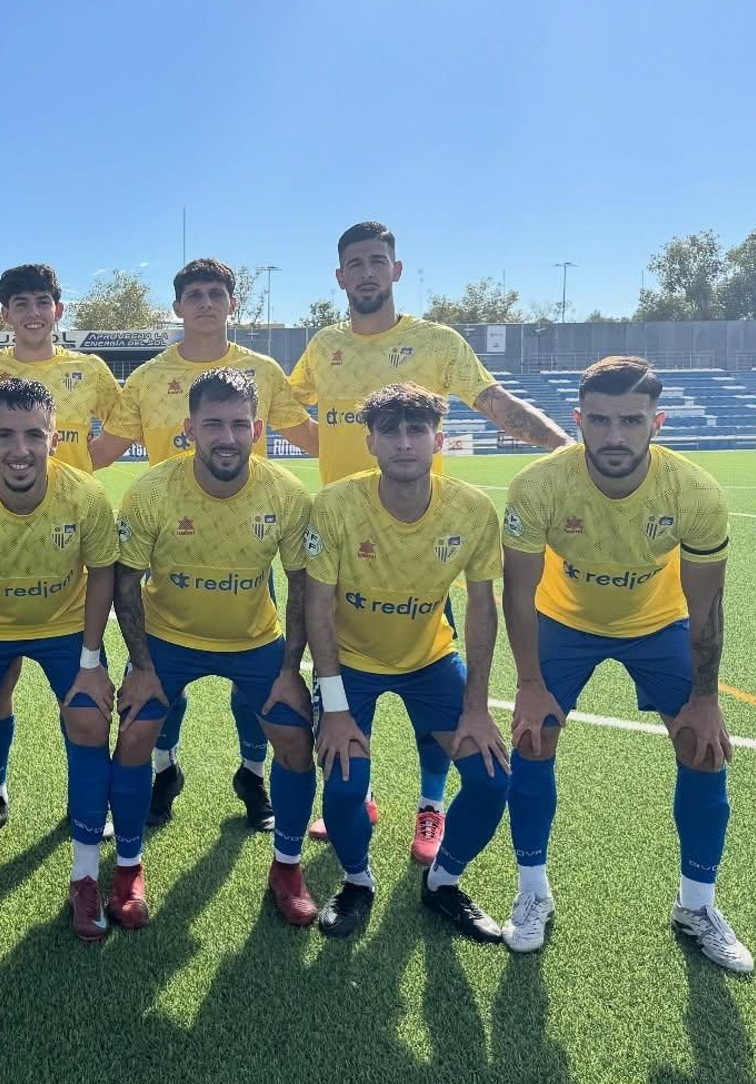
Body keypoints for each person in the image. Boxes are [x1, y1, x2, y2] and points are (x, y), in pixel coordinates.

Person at [289, 219, 570, 862]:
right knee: (343, 674)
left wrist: (564, 451)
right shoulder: (323, 346)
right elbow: (283, 406)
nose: (365, 271)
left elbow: (495, 404)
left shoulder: (436, 343)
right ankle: (352, 797)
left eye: (377, 260)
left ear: (396, 269)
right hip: (343, 538)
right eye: (354, 262)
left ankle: (430, 806)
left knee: (427, 678)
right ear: (339, 277)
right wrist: (323, 448)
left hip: (423, 548)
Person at [501, 356, 751, 972]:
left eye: (632, 421)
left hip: (656, 624)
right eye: (602, 420)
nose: (616, 436)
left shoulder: (694, 491)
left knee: (701, 745)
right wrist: (528, 685)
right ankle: (533, 893)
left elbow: (706, 602)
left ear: (656, 422)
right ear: (578, 419)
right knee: (534, 737)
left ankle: (697, 905)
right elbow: (516, 593)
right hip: (564, 621)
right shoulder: (539, 486)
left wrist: (706, 695)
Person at [90, 258, 320, 833]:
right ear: (178, 307)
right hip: (167, 543)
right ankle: (164, 770)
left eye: (217, 293)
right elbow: (106, 448)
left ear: (231, 304)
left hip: (249, 541)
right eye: (194, 294)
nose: (206, 303)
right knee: (164, 675)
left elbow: (313, 438)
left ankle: (253, 772)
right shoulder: (146, 377)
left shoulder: (264, 371)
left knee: (254, 676)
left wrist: (390, 463)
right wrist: (36, 476)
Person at [107, 368, 317, 929]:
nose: (227, 436)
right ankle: (128, 866)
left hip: (254, 642)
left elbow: (301, 584)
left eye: (239, 424)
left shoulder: (286, 493)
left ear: (258, 428)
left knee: (296, 744)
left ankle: (288, 867)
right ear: (189, 428)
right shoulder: (153, 490)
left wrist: (291, 667)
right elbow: (123, 584)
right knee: (133, 738)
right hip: (167, 641)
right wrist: (143, 667)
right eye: (213, 424)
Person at [303, 383, 510, 942]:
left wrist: (477, 706)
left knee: (493, 780)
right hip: (350, 665)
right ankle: (356, 881)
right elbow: (316, 609)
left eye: (416, 430)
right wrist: (337, 708)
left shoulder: (470, 509)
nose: (403, 442)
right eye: (389, 431)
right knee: (345, 788)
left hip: (431, 662)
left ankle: (442, 882)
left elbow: (482, 611)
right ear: (369, 442)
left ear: (438, 439)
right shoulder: (337, 505)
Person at [0, 378, 120, 942]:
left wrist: (89, 661)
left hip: (63, 627)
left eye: (35, 434)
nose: (20, 449)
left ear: (54, 439)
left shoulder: (84, 496)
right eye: (6, 435)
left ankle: (84, 877)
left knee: (87, 718)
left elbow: (103, 571)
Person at [0, 264, 122, 849]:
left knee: (77, 690)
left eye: (42, 301)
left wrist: (85, 468)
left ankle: (84, 805)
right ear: (4, 314)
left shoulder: (90, 369)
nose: (31, 311)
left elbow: (124, 425)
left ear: (59, 309)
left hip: (66, 530)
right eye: (19, 302)